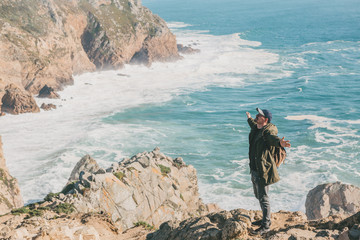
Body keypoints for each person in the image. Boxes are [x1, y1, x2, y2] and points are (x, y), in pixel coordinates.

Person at [246, 108, 291, 235]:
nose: (256, 116)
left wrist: (280, 143)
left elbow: (273, 139)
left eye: (259, 115)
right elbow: (252, 123)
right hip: (254, 169)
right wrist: (249, 118)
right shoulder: (257, 128)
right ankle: (265, 219)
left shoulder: (267, 132)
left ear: (265, 120)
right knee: (258, 196)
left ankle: (266, 226)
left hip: (263, 170)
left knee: (264, 198)